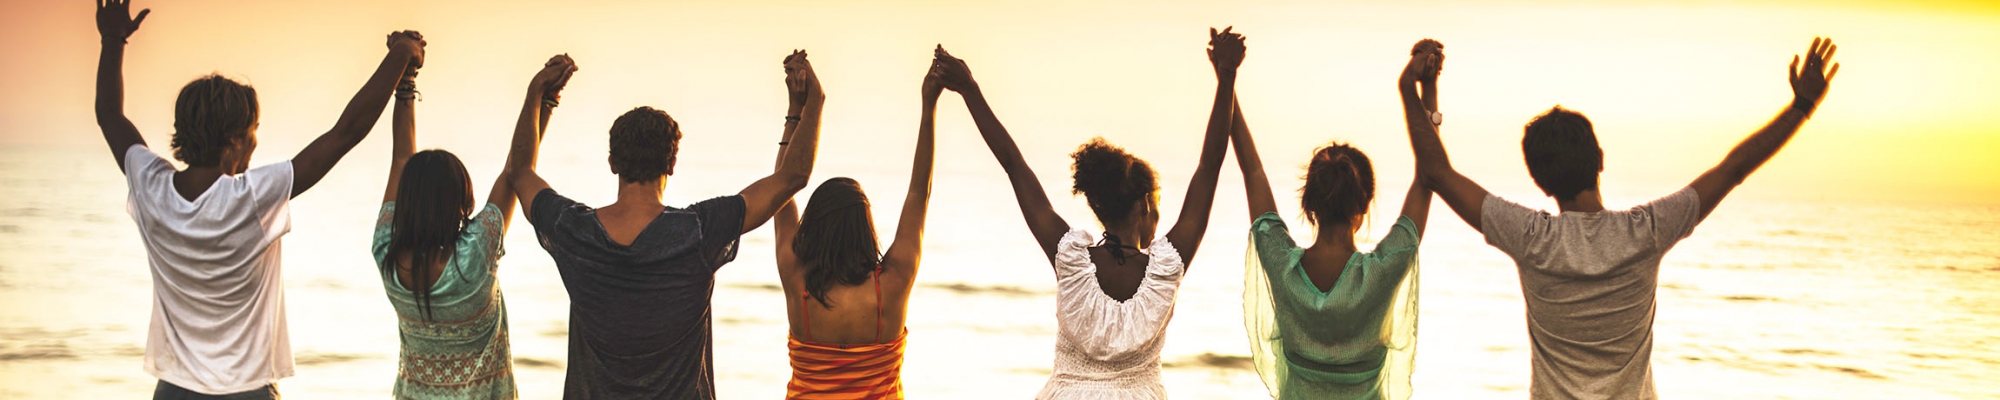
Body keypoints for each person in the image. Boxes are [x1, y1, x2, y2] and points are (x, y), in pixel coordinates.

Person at [1407, 38, 1839, 399]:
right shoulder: (1646, 232)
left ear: (1541, 182)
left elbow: (1437, 172)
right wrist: (1802, 105)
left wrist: (1418, 90)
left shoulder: (1529, 237)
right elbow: (1733, 169)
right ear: (1600, 160)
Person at [92, 0, 423, 397]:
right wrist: (402, 55)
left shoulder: (152, 188)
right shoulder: (251, 198)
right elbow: (346, 132)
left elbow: (109, 115)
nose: (255, 142)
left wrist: (112, 39)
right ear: (232, 141)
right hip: (248, 391)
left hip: (174, 390)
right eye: (252, 131)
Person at [932, 27, 1241, 399]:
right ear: (1144, 203)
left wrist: (969, 89)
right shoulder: (1165, 269)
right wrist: (1226, 76)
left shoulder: (1070, 260)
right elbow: (1210, 166)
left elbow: (1014, 164)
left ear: (1096, 203)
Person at [504, 50, 826, 399]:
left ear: (612, 163)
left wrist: (540, 93)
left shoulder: (573, 231)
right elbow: (793, 176)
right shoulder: (699, 231)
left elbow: (520, 172)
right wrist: (808, 105)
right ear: (671, 163)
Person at [1233, 41, 1436, 399]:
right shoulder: (1383, 270)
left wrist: (1225, 77)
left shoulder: (1281, 265)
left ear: (1308, 204)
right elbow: (1429, 177)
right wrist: (1428, 87)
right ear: (1365, 204)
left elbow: (1252, 171)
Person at [369, 53, 574, 400]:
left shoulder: (386, 249)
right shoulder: (475, 254)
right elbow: (517, 168)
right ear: (463, 203)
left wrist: (406, 81)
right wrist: (539, 95)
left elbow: (401, 158)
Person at [770, 49, 943, 399]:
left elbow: (781, 189)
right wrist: (929, 107)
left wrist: (796, 111)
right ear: (865, 230)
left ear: (813, 227)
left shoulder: (797, 279)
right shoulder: (891, 285)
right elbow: (918, 193)